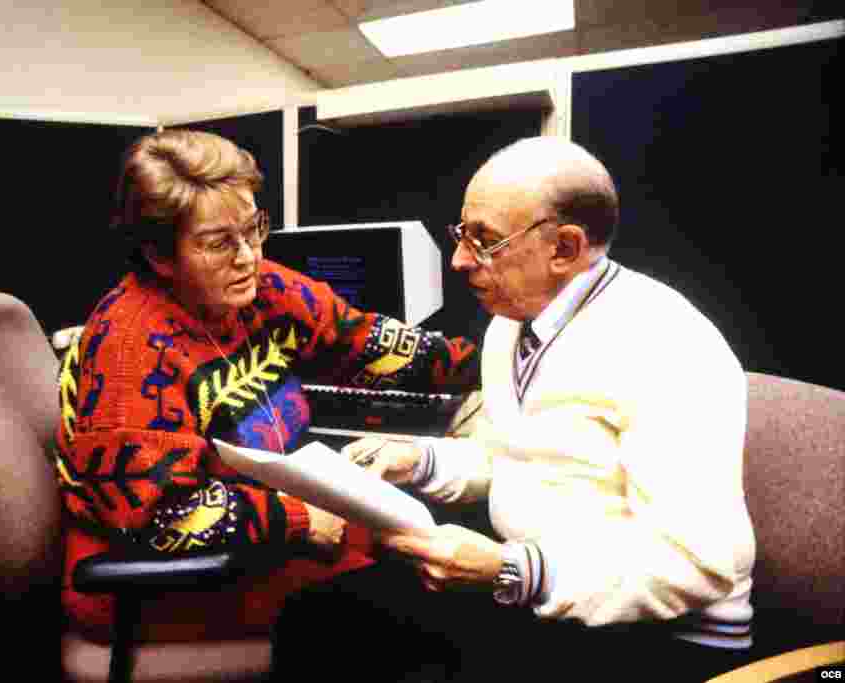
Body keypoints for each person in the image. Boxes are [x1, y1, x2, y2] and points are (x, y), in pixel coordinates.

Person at [284, 135, 756, 682]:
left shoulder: (666, 343)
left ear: (565, 248)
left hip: (663, 635)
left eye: (484, 240)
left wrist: (510, 570)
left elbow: (700, 565)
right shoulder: (510, 323)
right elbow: (512, 458)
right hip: (544, 592)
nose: (459, 260)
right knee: (319, 618)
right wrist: (416, 460)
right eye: (462, 234)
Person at [52, 128, 480, 645]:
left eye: (253, 230)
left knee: (434, 558)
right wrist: (297, 519)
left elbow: (360, 341)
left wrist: (490, 360)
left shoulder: (261, 289)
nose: (248, 256)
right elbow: (158, 515)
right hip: (154, 578)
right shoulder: (128, 346)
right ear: (159, 255)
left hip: (256, 534)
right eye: (218, 243)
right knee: (403, 602)